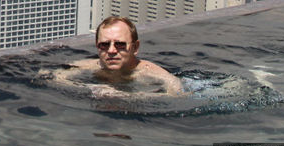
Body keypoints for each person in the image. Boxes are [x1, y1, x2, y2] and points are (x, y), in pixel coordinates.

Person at [43, 16, 183, 96]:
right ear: (97, 46)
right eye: (104, 45)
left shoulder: (149, 72)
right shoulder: (87, 66)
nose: (111, 50)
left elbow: (177, 93)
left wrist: (128, 97)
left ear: (135, 47)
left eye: (120, 45)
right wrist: (91, 88)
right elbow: (51, 77)